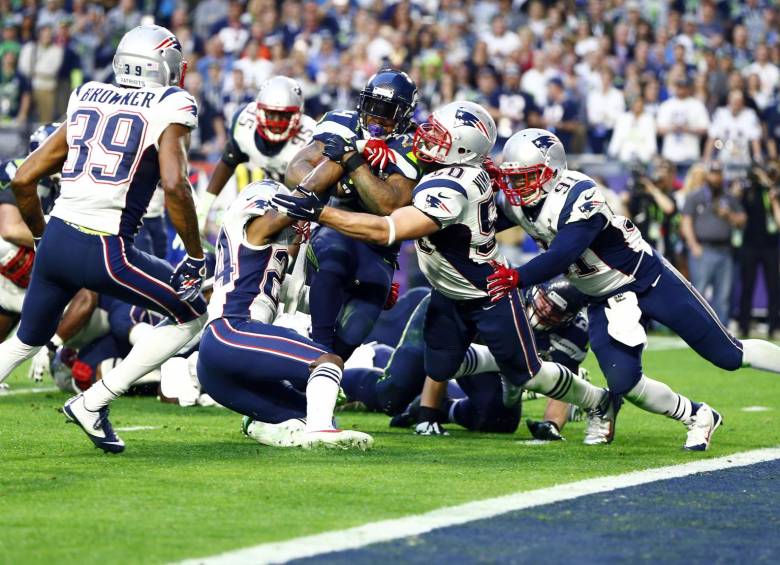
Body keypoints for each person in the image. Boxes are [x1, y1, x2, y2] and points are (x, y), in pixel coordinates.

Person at [272, 101, 615, 444]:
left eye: (438, 135)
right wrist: (369, 151)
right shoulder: (454, 167)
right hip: (447, 294)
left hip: (486, 295)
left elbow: (386, 229)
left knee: (529, 374)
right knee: (438, 368)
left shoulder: (453, 187)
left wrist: (320, 213)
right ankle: (495, 366)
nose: (425, 137)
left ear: (461, 148)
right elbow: (397, 157)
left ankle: (598, 401)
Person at [488, 128, 780, 451]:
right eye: (512, 178)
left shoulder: (579, 194)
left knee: (728, 355)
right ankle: (698, 415)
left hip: (648, 280)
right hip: (602, 296)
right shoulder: (517, 202)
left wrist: (517, 277)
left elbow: (563, 254)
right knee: (623, 381)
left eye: (525, 177)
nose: (516, 187)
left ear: (551, 172)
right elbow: (481, 217)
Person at [0, 25, 209, 454]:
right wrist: (194, 254)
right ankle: (94, 402)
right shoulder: (171, 102)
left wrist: (42, 239)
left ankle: (92, 404)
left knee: (23, 342)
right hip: (106, 248)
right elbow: (174, 184)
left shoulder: (89, 94)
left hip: (57, 236)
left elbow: (24, 178)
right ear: (165, 66)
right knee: (191, 314)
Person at [197, 179, 373, 450]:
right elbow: (285, 214)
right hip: (232, 332)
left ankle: (262, 425)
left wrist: (355, 290)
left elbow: (297, 297)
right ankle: (320, 432)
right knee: (326, 361)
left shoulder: (263, 250)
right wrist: (316, 194)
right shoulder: (254, 229)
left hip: (219, 362)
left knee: (308, 412)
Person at [284, 69, 423, 359]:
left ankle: (328, 369)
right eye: (372, 107)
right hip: (333, 228)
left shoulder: (411, 145)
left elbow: (388, 205)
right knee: (333, 258)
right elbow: (295, 171)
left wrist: (353, 161)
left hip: (378, 248)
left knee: (357, 326)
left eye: (387, 111)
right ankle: (319, 353)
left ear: (404, 115)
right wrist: (341, 185)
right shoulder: (340, 122)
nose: (375, 118)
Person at [199, 75, 316, 223]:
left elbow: (315, 190)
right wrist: (203, 208)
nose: (276, 122)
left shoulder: (310, 137)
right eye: (271, 114)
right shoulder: (244, 122)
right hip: (271, 194)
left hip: (305, 204)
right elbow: (228, 161)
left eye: (284, 115)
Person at [0, 123, 61, 344]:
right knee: (9, 250)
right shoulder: (20, 173)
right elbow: (10, 229)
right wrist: (55, 242)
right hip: (5, 246)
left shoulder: (57, 183)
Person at [680, 162, 746, 326]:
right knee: (699, 293)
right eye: (713, 173)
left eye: (719, 173)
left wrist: (729, 215)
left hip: (724, 250)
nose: (716, 177)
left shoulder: (728, 197)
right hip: (703, 249)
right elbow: (686, 223)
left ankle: (721, 332)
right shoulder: (695, 196)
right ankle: (695, 328)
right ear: (707, 175)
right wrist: (693, 245)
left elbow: (743, 219)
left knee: (722, 296)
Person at [736, 164, 780, 338]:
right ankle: (743, 326)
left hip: (770, 246)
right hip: (749, 245)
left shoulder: (774, 191)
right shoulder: (747, 190)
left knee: (774, 287)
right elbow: (736, 201)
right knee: (747, 286)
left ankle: (773, 327)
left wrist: (771, 191)